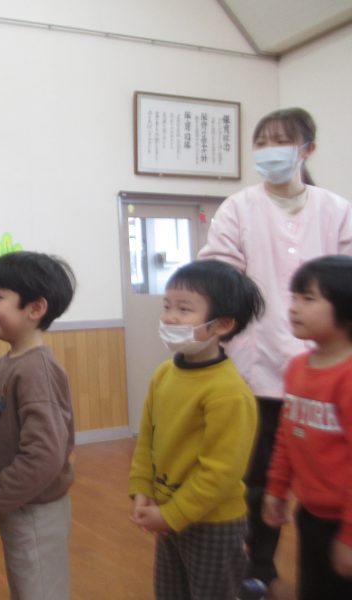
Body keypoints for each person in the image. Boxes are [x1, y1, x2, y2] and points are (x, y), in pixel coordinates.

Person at [197, 107, 352, 599]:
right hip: (257, 366)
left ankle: (337, 550)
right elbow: (219, 275)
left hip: (328, 364)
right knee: (261, 477)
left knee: (333, 469)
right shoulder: (238, 207)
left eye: (280, 141)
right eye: (261, 142)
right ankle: (260, 566)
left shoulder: (336, 209)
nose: (268, 151)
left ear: (307, 149)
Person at [129, 260, 265, 600]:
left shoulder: (228, 392)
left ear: (223, 324)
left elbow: (220, 473)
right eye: (167, 306)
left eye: (184, 309)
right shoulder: (164, 374)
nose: (170, 317)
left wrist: (170, 515)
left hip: (213, 523)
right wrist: (142, 489)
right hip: (169, 514)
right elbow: (147, 440)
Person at [0, 251, 77, 600]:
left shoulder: (37, 371)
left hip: (36, 511)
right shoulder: (3, 365)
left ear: (35, 308)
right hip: (15, 503)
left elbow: (43, 457)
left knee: (39, 592)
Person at [263, 255, 352, 599]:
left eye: (309, 298)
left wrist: (349, 536)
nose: (294, 307)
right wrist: (276, 489)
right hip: (312, 513)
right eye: (294, 297)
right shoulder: (298, 367)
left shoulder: (347, 376)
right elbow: (286, 436)